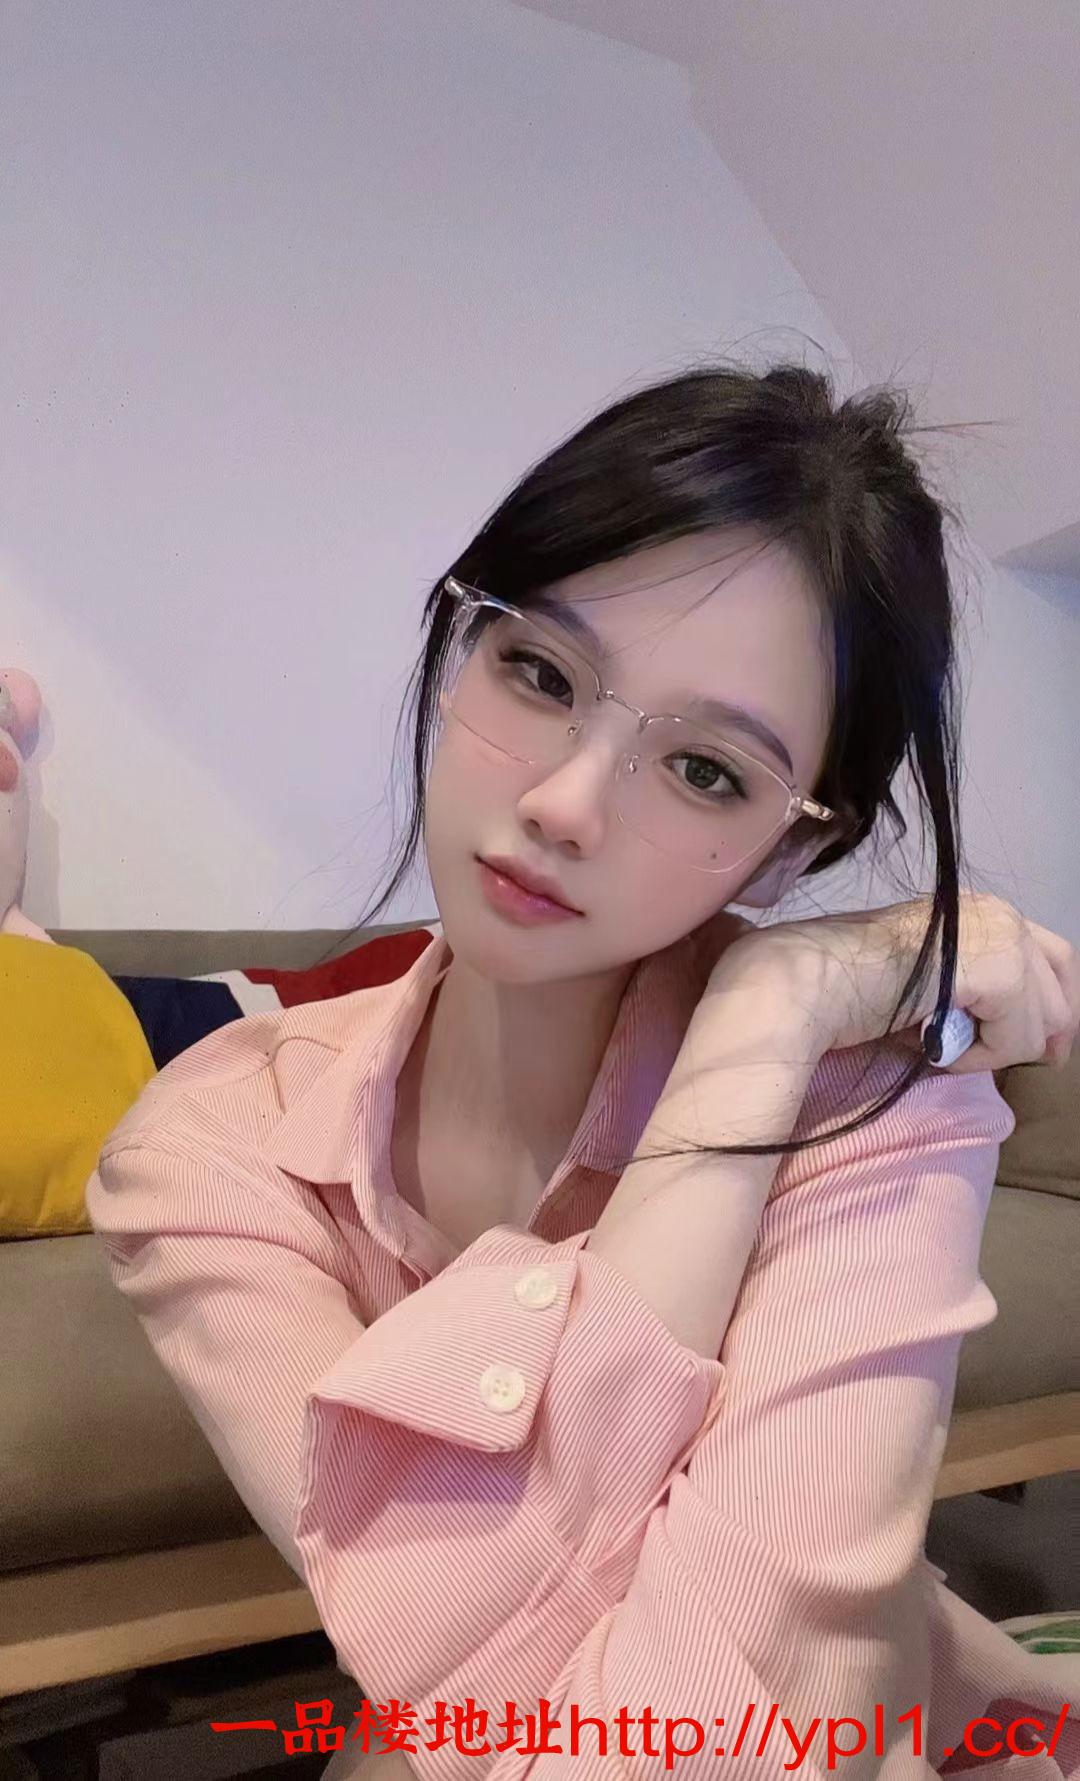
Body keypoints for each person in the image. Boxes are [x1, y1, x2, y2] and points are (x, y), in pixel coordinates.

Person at [85, 363, 1079, 1779]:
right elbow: (422, 1628)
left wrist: (769, 1019)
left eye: (708, 771)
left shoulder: (875, 1098)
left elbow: (748, 1745)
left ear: (793, 849)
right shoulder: (209, 1152)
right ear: (461, 645)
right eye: (540, 674)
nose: (561, 804)